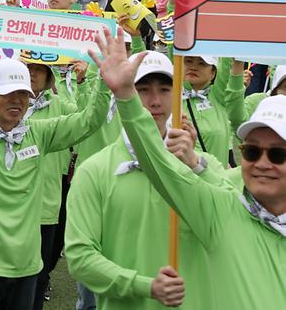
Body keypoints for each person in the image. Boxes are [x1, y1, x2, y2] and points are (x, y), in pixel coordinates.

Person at [90, 29, 286, 308]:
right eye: (251, 152)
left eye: (278, 154)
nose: (262, 163)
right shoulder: (223, 212)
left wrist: (197, 164)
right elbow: (158, 163)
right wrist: (126, 97)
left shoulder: (217, 179)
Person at [0, 21, 112, 310]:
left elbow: (90, 121)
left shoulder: (40, 132)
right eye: (7, 93)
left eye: (23, 94)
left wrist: (103, 77)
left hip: (25, 264)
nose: (17, 100)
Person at [65, 50, 229, 310]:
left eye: (165, 90)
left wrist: (196, 166)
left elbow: (234, 220)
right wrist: (146, 286)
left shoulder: (202, 164)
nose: (155, 101)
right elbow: (80, 257)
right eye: (142, 90)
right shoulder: (94, 171)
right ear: (124, 95)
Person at [182, 56, 245, 165]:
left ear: (213, 73)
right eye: (188, 61)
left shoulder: (218, 95)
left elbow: (226, 62)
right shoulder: (170, 96)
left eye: (201, 63)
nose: (193, 67)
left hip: (217, 175)